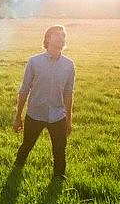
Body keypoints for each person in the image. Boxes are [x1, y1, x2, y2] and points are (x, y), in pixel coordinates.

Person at [13, 25, 75, 179]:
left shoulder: (69, 65)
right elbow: (24, 90)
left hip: (58, 115)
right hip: (35, 114)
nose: (61, 38)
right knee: (27, 145)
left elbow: (68, 94)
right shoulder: (34, 62)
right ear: (48, 39)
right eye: (57, 35)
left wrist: (68, 120)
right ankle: (16, 170)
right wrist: (18, 117)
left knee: (60, 150)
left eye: (63, 35)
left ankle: (59, 178)